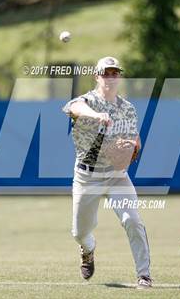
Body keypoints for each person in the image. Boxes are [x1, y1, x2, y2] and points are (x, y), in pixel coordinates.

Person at [62, 56, 152, 289]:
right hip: (87, 176)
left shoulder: (128, 108)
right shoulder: (87, 100)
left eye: (115, 73)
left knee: (133, 220)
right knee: (79, 232)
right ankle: (88, 250)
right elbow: (73, 107)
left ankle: (144, 275)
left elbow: (136, 140)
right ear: (97, 76)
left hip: (116, 175)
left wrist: (130, 147)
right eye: (106, 73)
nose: (110, 77)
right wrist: (96, 115)